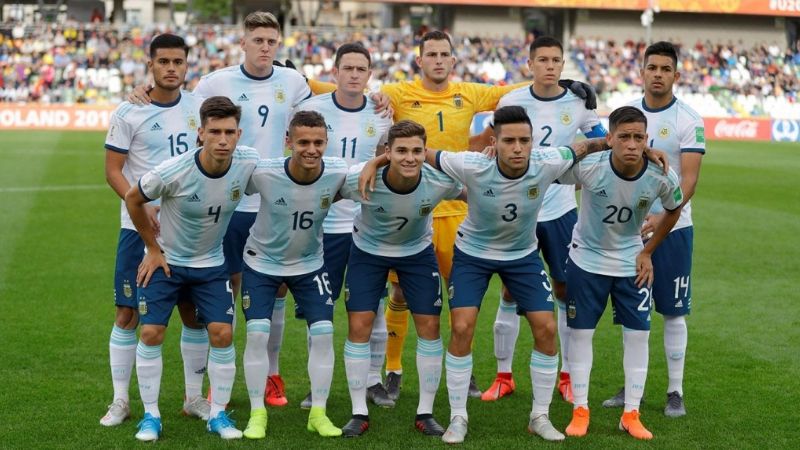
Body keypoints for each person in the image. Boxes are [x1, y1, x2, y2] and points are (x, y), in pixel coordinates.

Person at [417, 106, 663, 444]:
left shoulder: (546, 161)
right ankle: (458, 417)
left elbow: (586, 146)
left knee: (547, 327)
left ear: (533, 142)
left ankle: (540, 416)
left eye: (524, 140)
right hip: (473, 255)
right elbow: (423, 152)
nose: (518, 148)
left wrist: (641, 150)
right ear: (494, 143)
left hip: (522, 256)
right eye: (509, 141)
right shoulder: (471, 164)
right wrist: (379, 160)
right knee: (461, 326)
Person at [471, 36, 606, 403]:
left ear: (563, 65)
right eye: (542, 60)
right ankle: (504, 376)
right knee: (509, 290)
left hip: (560, 209)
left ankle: (566, 376)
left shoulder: (579, 102)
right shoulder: (512, 101)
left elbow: (602, 144)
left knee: (564, 290)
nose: (550, 66)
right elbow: (491, 142)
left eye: (556, 60)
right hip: (518, 209)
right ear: (529, 65)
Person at [124, 96, 259, 441]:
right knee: (151, 333)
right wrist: (152, 248)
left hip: (211, 265)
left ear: (239, 134)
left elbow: (285, 176)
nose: (223, 140)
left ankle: (217, 414)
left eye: (229, 132)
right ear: (201, 133)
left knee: (223, 333)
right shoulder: (175, 170)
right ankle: (151, 416)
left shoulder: (248, 162)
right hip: (167, 262)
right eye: (215, 132)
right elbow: (133, 198)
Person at [101, 33, 209, 427]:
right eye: (163, 61)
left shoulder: (200, 108)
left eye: (178, 61)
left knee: (193, 313)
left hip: (190, 228)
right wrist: (141, 205)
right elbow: (113, 171)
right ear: (150, 65)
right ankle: (120, 400)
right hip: (138, 227)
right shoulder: (128, 111)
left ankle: (193, 398)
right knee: (127, 312)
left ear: (187, 65)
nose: (171, 68)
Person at [561, 106, 684, 440]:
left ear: (647, 140)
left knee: (638, 335)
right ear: (610, 138)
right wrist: (594, 145)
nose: (631, 144)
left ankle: (631, 414)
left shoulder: (661, 175)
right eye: (624, 136)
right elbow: (549, 167)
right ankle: (580, 410)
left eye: (638, 138)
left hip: (631, 262)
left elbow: (674, 209)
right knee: (580, 334)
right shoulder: (590, 166)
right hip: (586, 260)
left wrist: (647, 251)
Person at [338, 120, 463, 437]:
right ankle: (358, 412)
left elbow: (473, 189)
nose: (409, 158)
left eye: (417, 151)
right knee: (359, 326)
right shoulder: (360, 177)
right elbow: (321, 190)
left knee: (430, 327)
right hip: (368, 252)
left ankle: (425, 412)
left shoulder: (439, 180)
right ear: (387, 152)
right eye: (401, 151)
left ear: (425, 152)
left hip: (416, 253)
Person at [602, 41, 705, 418]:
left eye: (665, 69)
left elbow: (689, 179)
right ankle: (633, 387)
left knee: (673, 311)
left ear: (676, 75)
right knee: (634, 311)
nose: (658, 74)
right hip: (630, 230)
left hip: (675, 228)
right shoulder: (627, 116)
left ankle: (675, 391)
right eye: (652, 68)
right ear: (642, 72)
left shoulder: (688, 119)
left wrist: (666, 216)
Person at [292, 42, 394, 409]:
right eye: (347, 68)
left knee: (374, 307)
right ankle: (317, 385)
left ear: (369, 75)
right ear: (334, 72)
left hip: (368, 225)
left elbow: (385, 161)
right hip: (324, 227)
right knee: (320, 311)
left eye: (360, 69)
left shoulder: (382, 115)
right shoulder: (313, 110)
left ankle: (373, 380)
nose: (353, 74)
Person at [239, 111, 348, 439]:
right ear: (288, 141)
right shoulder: (265, 172)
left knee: (324, 333)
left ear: (326, 142)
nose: (311, 149)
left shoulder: (338, 171)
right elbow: (228, 180)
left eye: (318, 142)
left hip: (309, 264)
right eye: (303, 142)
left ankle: (318, 413)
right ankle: (257, 413)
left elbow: (370, 175)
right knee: (257, 333)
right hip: (262, 263)